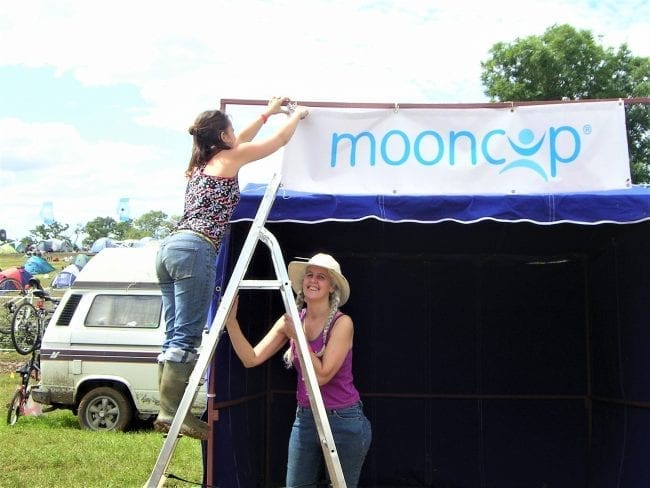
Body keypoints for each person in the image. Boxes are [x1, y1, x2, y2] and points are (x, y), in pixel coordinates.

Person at [154, 97, 309, 440]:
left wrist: (267, 113)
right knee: (187, 334)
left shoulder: (198, 165)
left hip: (168, 248)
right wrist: (297, 115)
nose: (236, 135)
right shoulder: (230, 157)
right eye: (231, 131)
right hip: (196, 248)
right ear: (223, 137)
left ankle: (169, 406)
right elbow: (278, 142)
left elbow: (240, 140)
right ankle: (171, 411)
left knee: (172, 332)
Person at [226, 253, 372, 487]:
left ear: (332, 286)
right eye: (309, 275)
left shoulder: (343, 323)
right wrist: (231, 323)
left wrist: (299, 337)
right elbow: (250, 359)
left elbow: (322, 376)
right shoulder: (292, 321)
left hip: (343, 418)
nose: (313, 281)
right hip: (305, 417)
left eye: (321, 277)